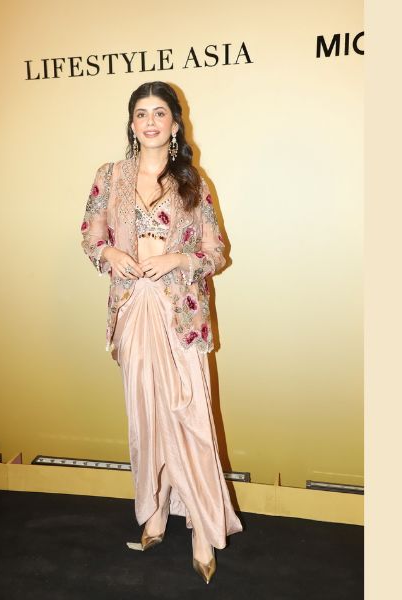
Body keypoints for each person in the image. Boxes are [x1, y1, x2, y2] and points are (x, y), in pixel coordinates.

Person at [79, 81, 243, 584]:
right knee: (146, 415)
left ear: (174, 123)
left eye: (159, 113)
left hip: (180, 317)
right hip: (132, 310)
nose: (150, 122)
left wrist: (176, 259)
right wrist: (110, 253)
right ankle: (154, 510)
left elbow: (215, 252)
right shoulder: (110, 176)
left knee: (190, 418)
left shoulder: (193, 181)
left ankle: (203, 527)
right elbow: (90, 236)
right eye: (141, 114)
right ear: (132, 124)